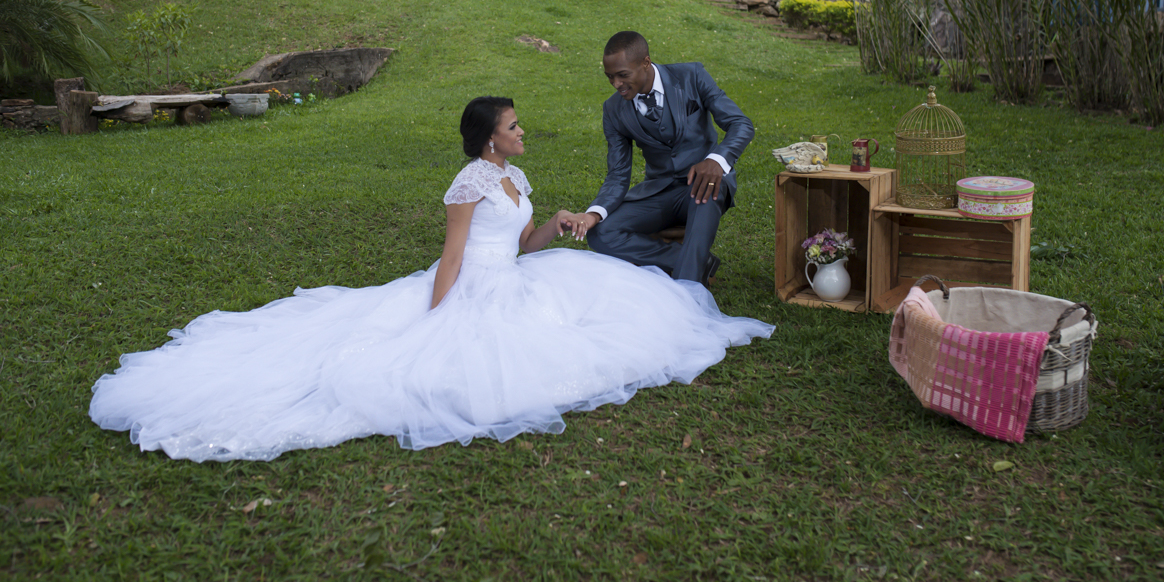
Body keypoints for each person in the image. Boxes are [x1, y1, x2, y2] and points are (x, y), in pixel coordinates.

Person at [89, 96, 774, 462]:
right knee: (472, 358)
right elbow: (452, 256)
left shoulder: (513, 176)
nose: (521, 130)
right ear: (488, 141)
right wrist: (438, 312)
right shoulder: (467, 184)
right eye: (513, 126)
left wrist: (560, 221)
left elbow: (525, 243)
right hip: (471, 284)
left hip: (513, 275)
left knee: (604, 308)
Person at [561, 31, 754, 285]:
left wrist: (716, 161)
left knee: (707, 191)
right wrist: (593, 215)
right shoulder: (613, 110)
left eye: (622, 75)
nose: (615, 84)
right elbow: (618, 174)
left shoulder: (691, 76)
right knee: (602, 234)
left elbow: (740, 124)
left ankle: (687, 295)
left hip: (706, 184)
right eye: (610, 77)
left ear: (645, 62)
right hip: (659, 191)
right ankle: (696, 262)